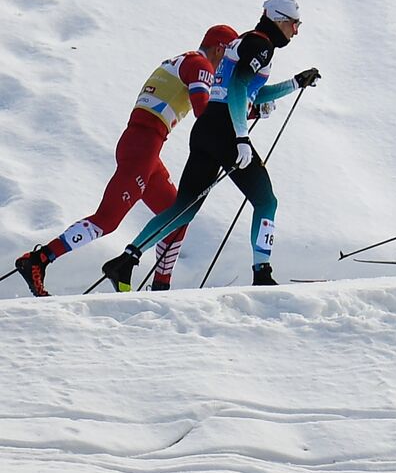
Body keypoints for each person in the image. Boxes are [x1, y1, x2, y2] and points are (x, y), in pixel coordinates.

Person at [101, 0, 320, 291]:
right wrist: (241, 137)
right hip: (227, 131)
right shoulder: (263, 46)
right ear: (280, 20)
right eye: (295, 24)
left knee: (184, 208)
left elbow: (252, 92)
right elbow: (240, 86)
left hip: (206, 129)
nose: (296, 31)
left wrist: (295, 83)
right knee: (266, 201)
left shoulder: (245, 41)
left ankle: (126, 259)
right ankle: (262, 274)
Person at [12, 25, 240, 296]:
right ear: (219, 49)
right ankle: (38, 260)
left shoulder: (187, 59)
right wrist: (237, 127)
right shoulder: (201, 64)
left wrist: (246, 111)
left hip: (144, 147)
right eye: (228, 59)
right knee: (107, 220)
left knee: (177, 216)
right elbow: (205, 111)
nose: (228, 66)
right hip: (142, 147)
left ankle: (161, 288)